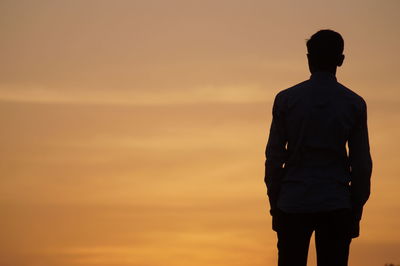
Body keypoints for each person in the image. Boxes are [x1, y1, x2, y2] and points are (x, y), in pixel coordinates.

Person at [264, 29, 372, 266]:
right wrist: (356, 208)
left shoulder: (286, 99)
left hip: (292, 202)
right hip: (336, 203)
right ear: (341, 60)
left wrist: (275, 203)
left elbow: (273, 158)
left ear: (308, 58)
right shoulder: (353, 103)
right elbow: (362, 164)